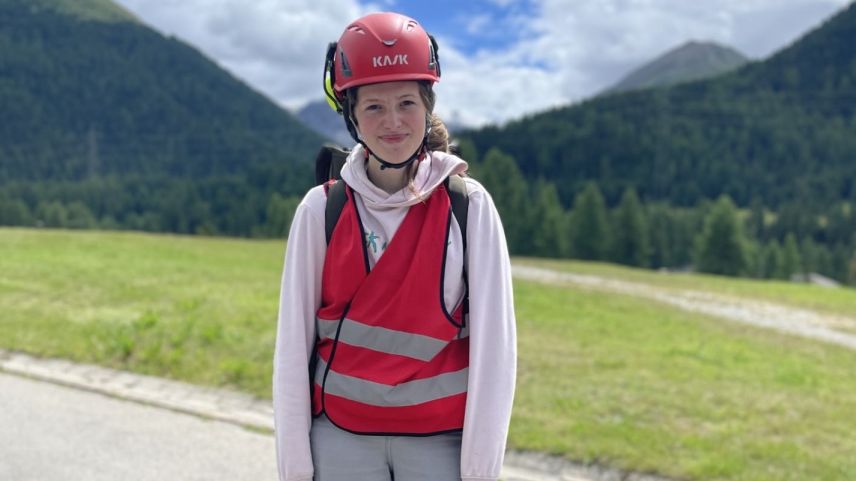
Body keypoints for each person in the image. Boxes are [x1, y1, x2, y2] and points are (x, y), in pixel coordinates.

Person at [273, 11, 516, 481]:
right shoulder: (320, 209)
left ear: (427, 105)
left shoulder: (470, 207)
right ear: (351, 116)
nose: (393, 122)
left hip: (441, 443)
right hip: (340, 438)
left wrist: (480, 471)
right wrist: (295, 471)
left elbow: (496, 353)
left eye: (407, 102)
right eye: (374, 107)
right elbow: (292, 347)